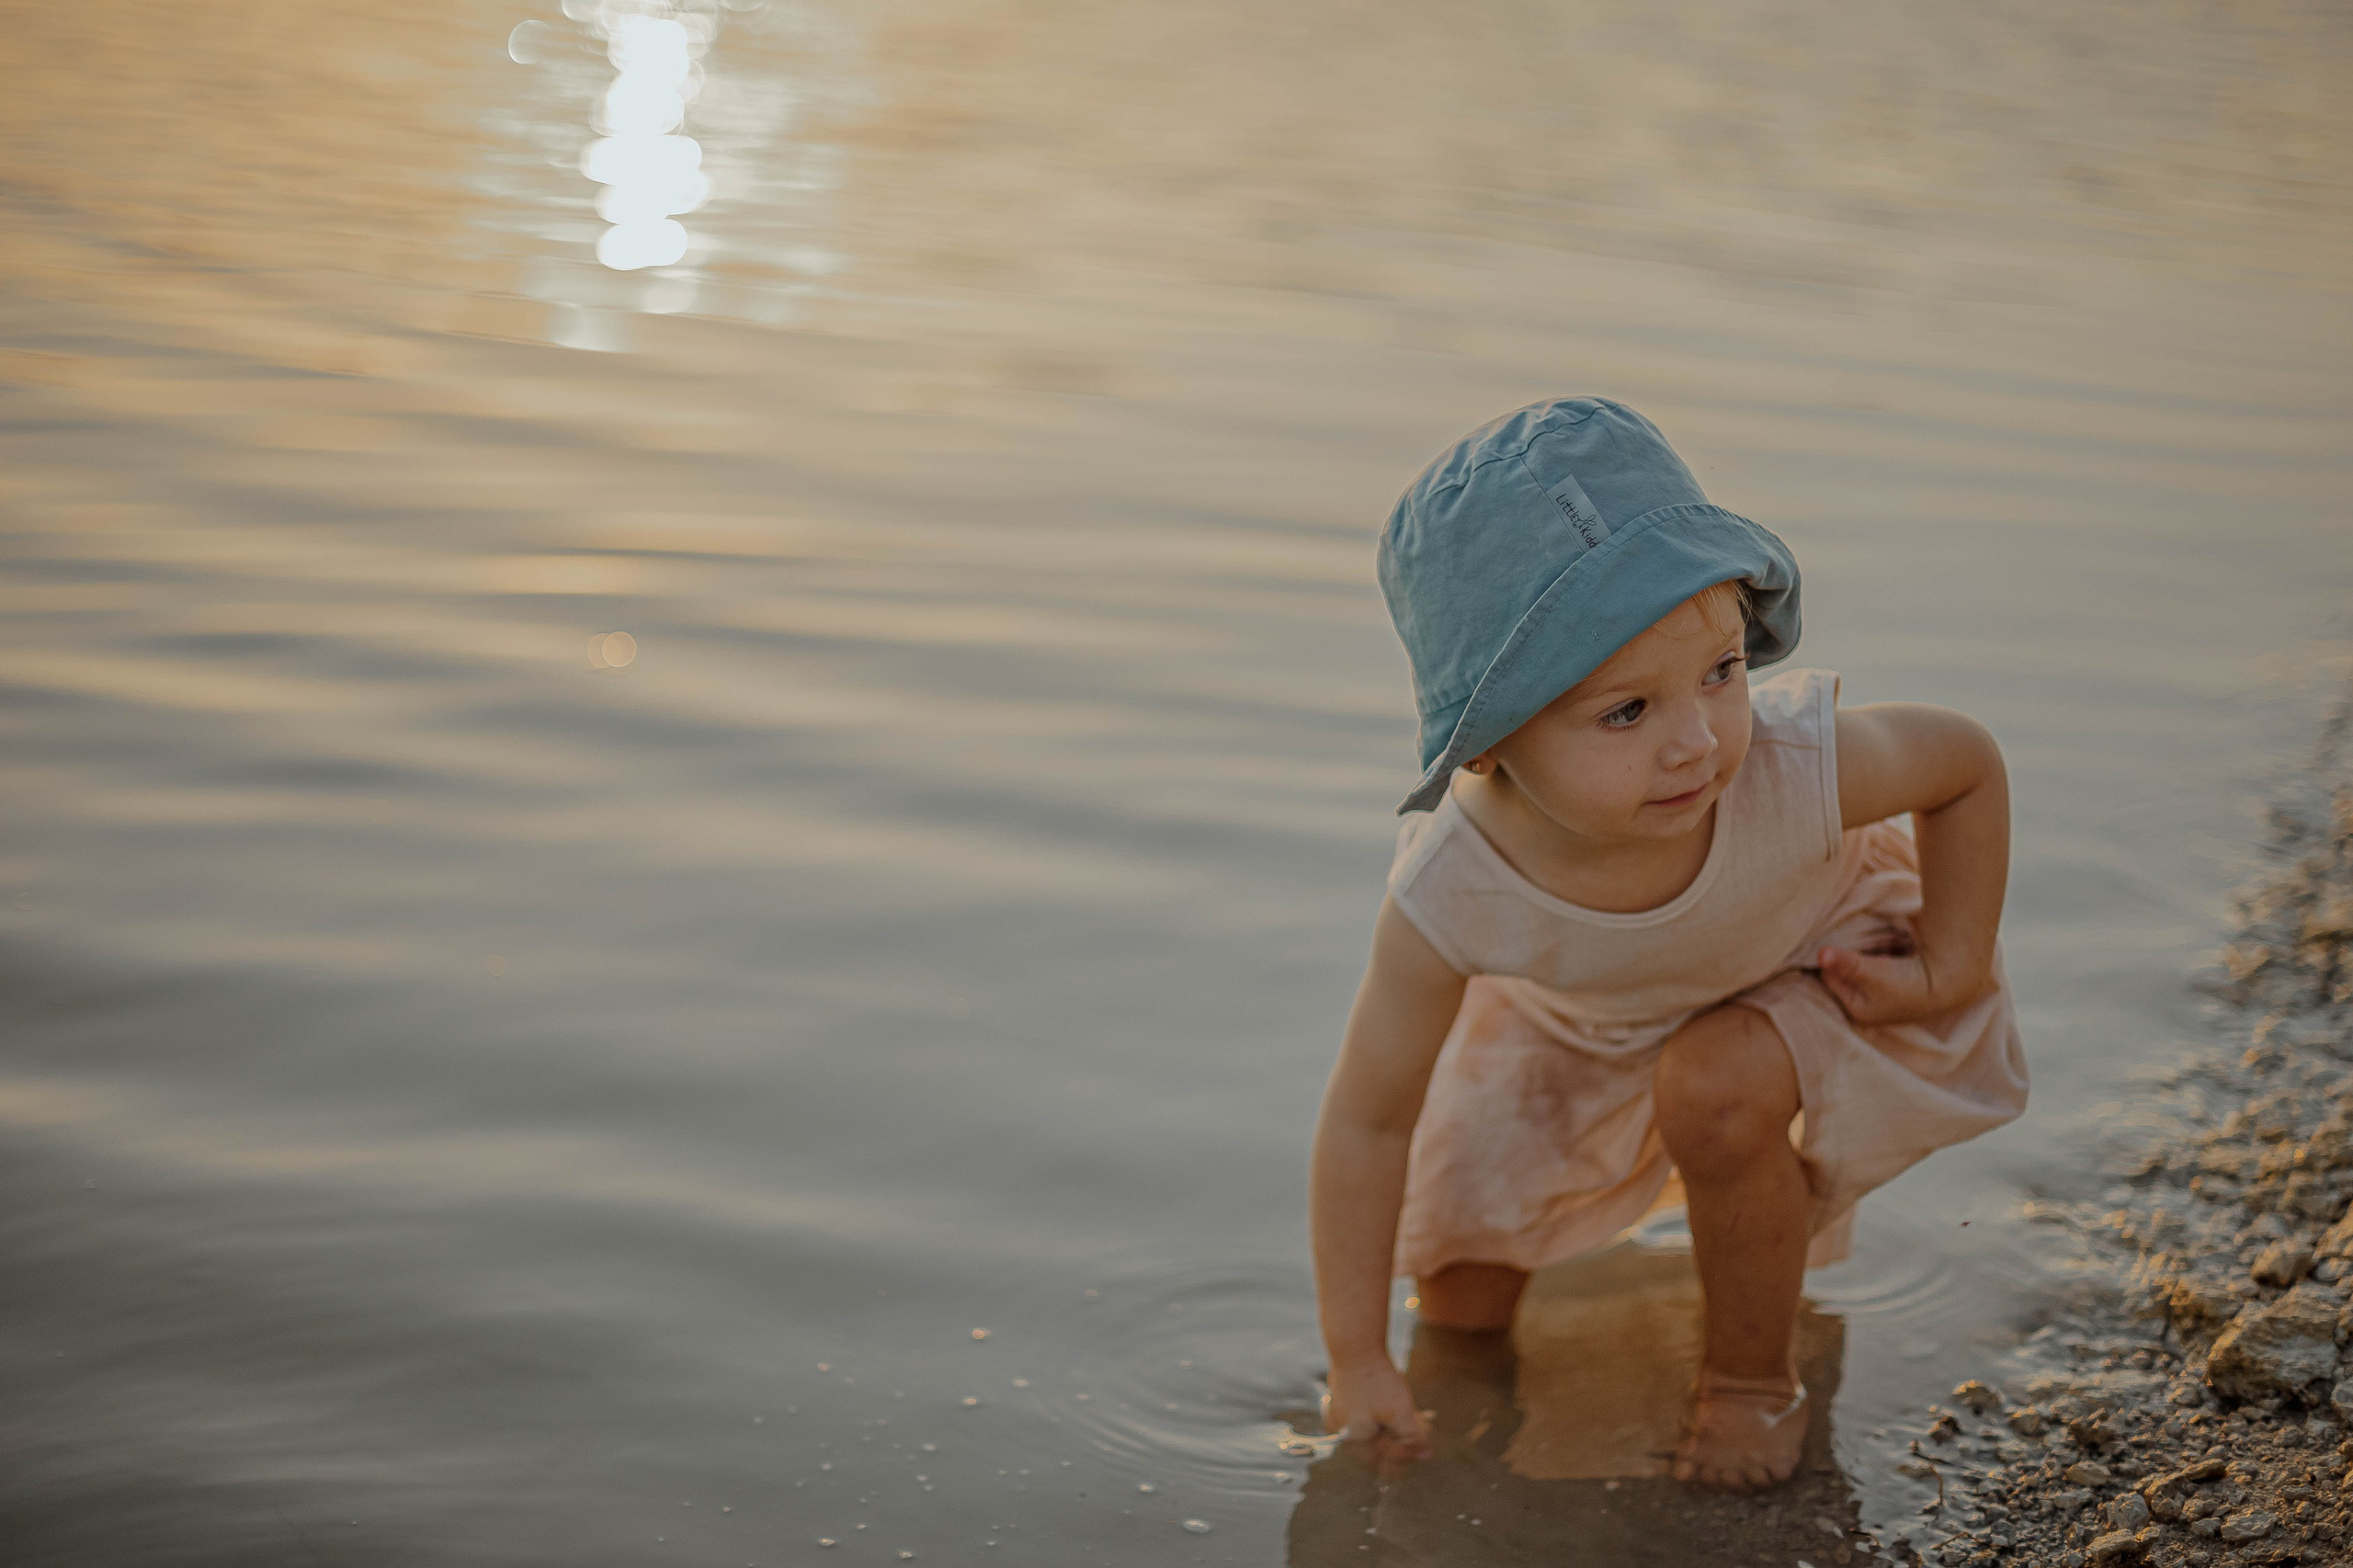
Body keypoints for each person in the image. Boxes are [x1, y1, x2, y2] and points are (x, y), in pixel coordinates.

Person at [1309, 398, 2029, 1491]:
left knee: (1715, 1082)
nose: (1697, 740)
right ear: (1489, 743)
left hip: (1807, 957)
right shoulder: (1451, 890)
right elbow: (1368, 1118)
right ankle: (1457, 1461)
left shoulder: (1788, 768)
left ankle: (1749, 1379)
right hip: (1587, 1012)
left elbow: (1965, 763)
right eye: (1624, 712)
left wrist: (1955, 956)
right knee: (1454, 1277)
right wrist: (1353, 1356)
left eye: (1722, 671)